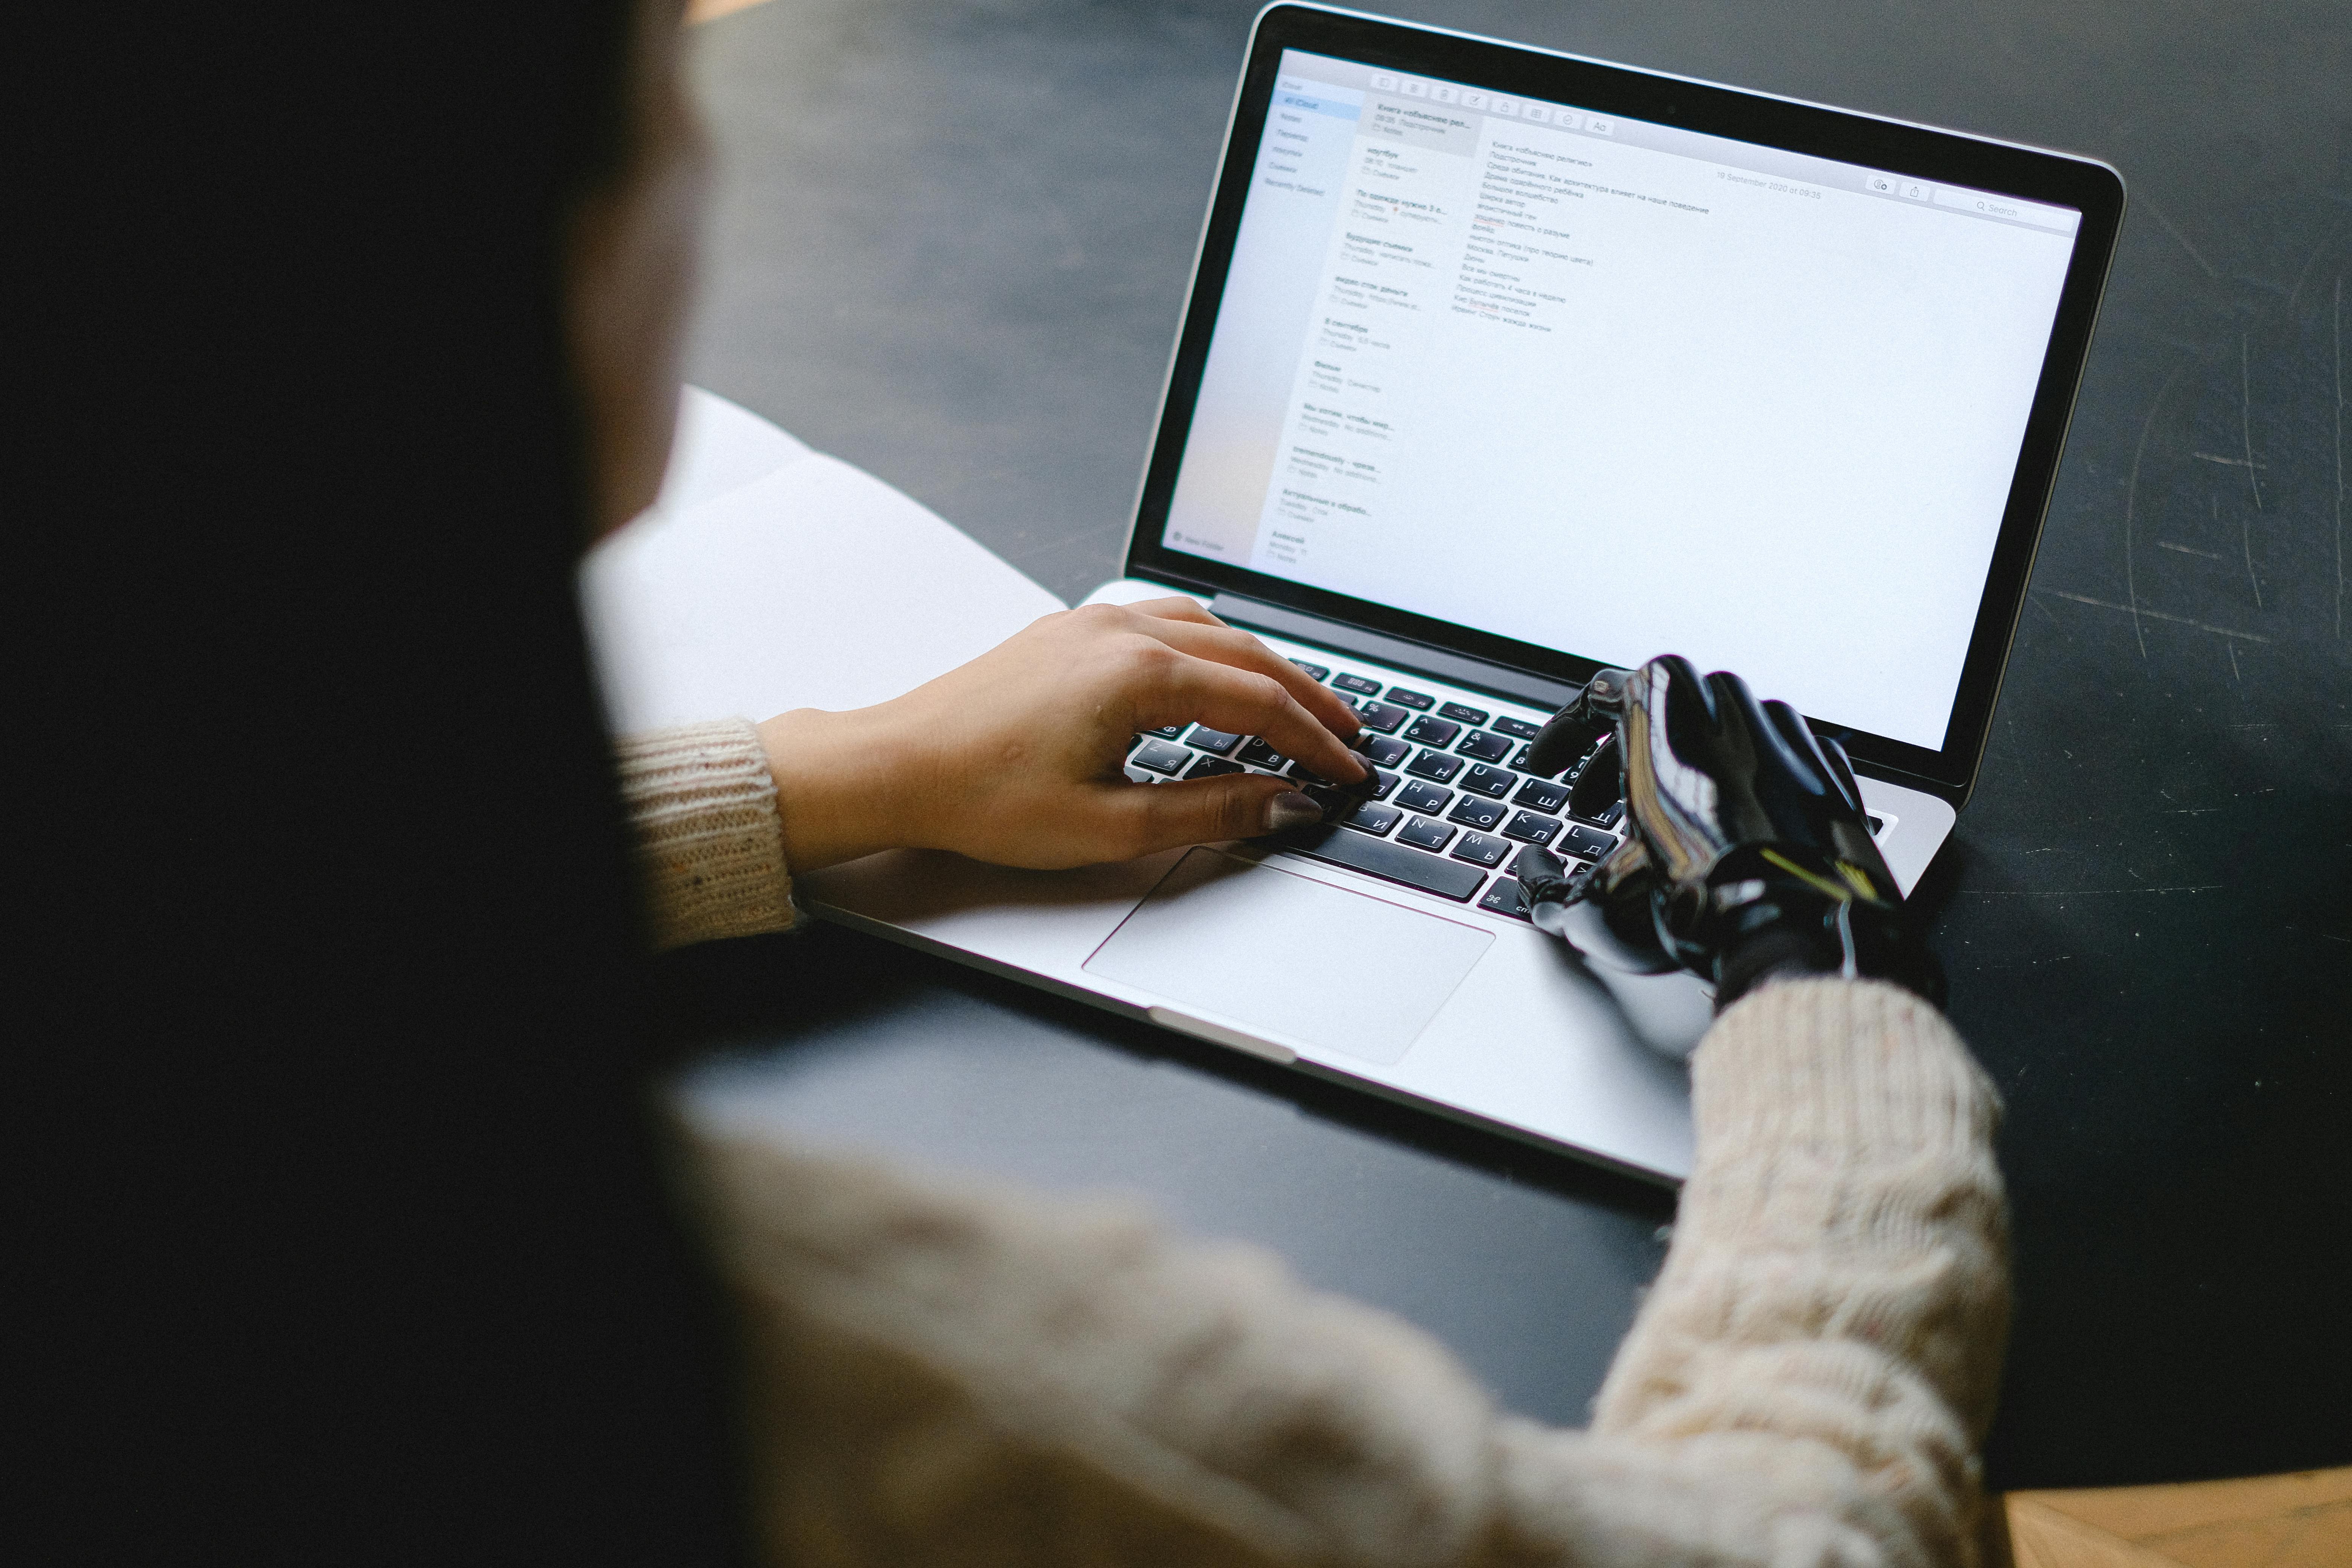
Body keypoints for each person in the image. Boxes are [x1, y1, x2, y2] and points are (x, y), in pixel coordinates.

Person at [17, 1, 2008, 1563]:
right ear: (551, 297)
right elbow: (1817, 1537)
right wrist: (1813, 971)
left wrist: (840, 776)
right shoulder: (880, 1401)